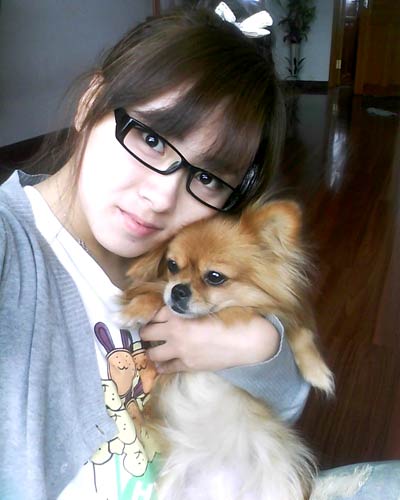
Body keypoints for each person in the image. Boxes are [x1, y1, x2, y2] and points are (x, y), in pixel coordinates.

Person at [2, 4, 399, 500]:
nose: (161, 197)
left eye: (206, 177)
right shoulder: (14, 253)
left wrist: (258, 346)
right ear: (89, 103)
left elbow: (282, 402)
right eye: (151, 138)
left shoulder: (184, 250)